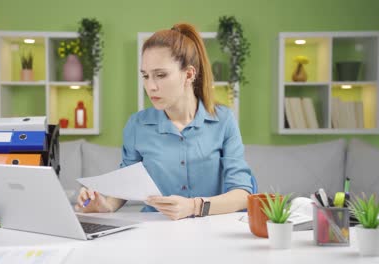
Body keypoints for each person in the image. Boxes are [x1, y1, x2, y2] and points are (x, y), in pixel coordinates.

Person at [76, 22, 256, 220]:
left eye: (160, 75)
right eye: (145, 76)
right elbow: (126, 184)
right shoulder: (137, 125)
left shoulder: (223, 120)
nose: (150, 86)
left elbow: (242, 194)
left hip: (212, 232)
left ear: (188, 74)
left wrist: (193, 206)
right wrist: (104, 205)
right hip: (156, 232)